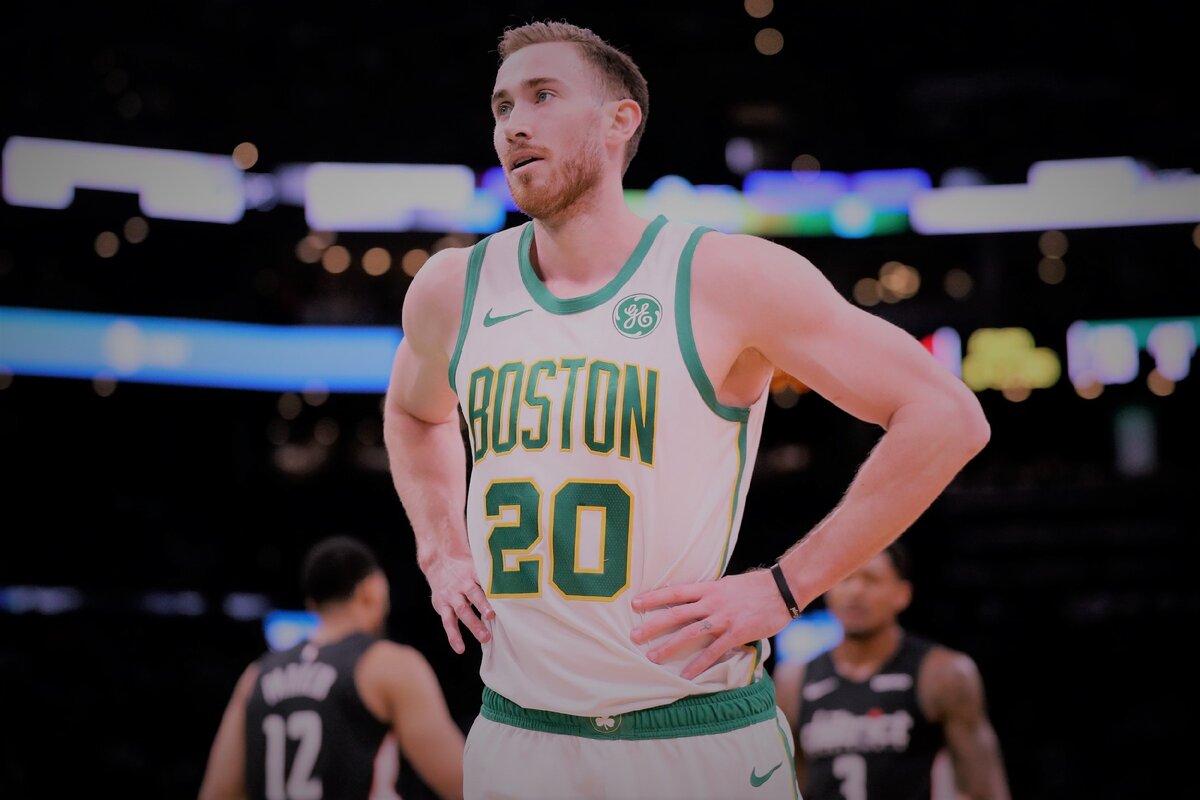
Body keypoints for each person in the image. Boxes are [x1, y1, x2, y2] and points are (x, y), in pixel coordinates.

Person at [382, 19, 990, 800]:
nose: (514, 125)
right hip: (517, 735)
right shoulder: (451, 287)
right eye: (502, 106)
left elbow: (947, 415)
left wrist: (785, 587)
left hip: (692, 737)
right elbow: (415, 414)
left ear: (619, 120)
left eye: (542, 96)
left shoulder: (722, 277)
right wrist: (441, 548)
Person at [198, 535, 465, 800]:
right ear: (372, 590)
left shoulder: (255, 676)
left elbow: (217, 793)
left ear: (312, 604)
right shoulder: (388, 666)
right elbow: (464, 784)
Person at [773, 542, 1011, 800]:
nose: (856, 591)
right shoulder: (792, 680)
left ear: (902, 594)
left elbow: (984, 789)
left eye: (872, 580)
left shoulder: (944, 673)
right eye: (845, 578)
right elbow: (786, 785)